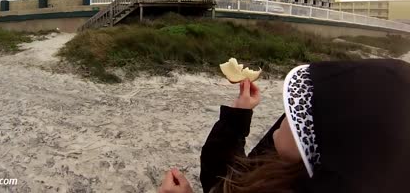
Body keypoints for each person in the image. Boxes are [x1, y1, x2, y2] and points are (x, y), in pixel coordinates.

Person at [158, 59, 410, 193]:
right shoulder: (294, 165)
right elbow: (227, 180)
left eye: (301, 112)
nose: (288, 111)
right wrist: (238, 114)